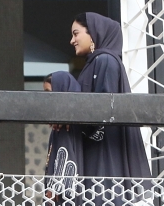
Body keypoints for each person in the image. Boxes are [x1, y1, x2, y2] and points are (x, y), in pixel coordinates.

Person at [71, 12, 151, 178]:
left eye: (76, 34)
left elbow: (104, 111)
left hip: (103, 155)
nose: (72, 41)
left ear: (94, 33)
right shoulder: (96, 62)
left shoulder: (105, 61)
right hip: (97, 151)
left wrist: (75, 126)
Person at [44, 72, 84, 206]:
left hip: (61, 195)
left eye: (49, 93)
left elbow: (66, 155)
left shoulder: (65, 125)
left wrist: (56, 185)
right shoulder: (62, 122)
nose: (45, 98)